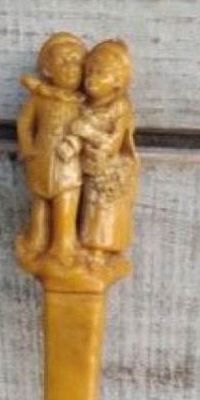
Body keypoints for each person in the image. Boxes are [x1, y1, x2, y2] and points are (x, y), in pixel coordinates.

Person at [16, 32, 87, 262]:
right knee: (39, 203)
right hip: (42, 159)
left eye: (76, 61)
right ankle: (37, 240)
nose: (70, 67)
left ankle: (63, 245)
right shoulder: (39, 99)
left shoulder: (82, 104)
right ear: (47, 70)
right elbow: (24, 122)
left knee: (66, 201)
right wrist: (26, 148)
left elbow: (89, 128)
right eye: (63, 61)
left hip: (68, 165)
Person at [71, 39, 138, 261]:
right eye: (89, 71)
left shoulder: (119, 107)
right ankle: (80, 244)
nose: (91, 79)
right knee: (84, 209)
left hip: (108, 171)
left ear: (118, 82)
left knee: (100, 211)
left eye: (101, 74)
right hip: (85, 165)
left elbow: (113, 143)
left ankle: (98, 250)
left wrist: (88, 132)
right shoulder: (83, 103)